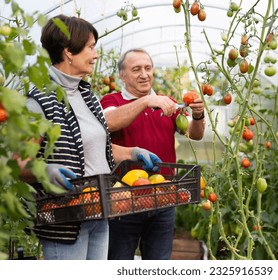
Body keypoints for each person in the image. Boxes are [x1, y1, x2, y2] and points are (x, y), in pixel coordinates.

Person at [17, 15, 161, 260]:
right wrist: (45, 170)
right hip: (67, 219)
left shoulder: (87, 95)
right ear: (68, 52)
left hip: (99, 213)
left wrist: (132, 152)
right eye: (91, 47)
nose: (96, 55)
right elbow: (19, 163)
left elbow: (95, 148)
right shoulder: (39, 101)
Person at [100, 48, 206, 260]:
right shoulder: (112, 101)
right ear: (122, 75)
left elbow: (194, 134)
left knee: (158, 264)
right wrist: (147, 101)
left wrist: (198, 115)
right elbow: (109, 121)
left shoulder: (166, 102)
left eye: (148, 68)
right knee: (118, 261)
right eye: (136, 69)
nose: (144, 74)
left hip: (163, 198)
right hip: (124, 199)